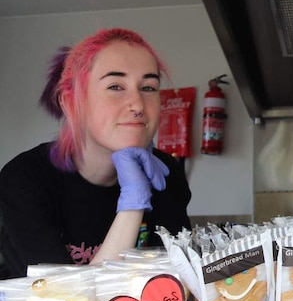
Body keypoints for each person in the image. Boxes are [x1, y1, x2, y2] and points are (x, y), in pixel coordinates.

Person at [0, 28, 191, 279]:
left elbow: (174, 281)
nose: (137, 104)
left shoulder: (166, 172)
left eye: (148, 87)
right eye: (115, 86)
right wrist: (133, 204)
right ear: (72, 103)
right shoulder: (24, 178)